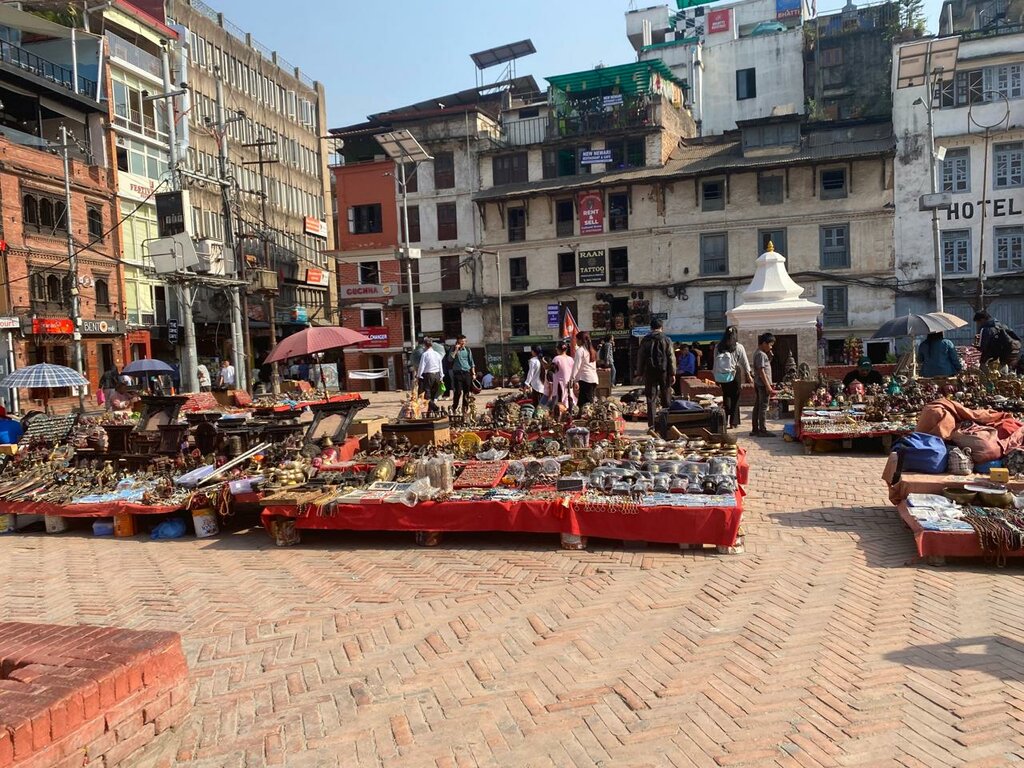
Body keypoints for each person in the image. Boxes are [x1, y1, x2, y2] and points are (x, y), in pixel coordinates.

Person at [637, 318, 675, 429]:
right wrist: (672, 373)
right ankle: (667, 423)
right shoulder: (666, 339)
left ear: (651, 328)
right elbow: (671, 357)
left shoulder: (645, 340)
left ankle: (652, 425)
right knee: (666, 397)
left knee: (650, 398)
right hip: (664, 372)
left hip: (649, 372)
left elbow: (640, 357)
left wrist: (639, 372)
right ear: (661, 327)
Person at [713, 326, 752, 430]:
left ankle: (724, 420)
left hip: (722, 375)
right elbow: (745, 362)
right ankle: (733, 422)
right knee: (736, 397)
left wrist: (715, 377)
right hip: (735, 374)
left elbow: (715, 363)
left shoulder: (718, 347)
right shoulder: (739, 347)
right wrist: (748, 374)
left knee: (726, 396)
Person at [751, 333, 777, 437]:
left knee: (758, 406)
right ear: (764, 343)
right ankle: (762, 429)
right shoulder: (761, 354)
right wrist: (768, 386)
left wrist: (770, 357)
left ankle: (755, 429)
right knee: (763, 407)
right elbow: (761, 371)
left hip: (759, 383)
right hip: (762, 384)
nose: (771, 347)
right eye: (770, 345)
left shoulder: (760, 353)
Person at [571, 331, 599, 413]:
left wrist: (572, 379)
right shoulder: (591, 350)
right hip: (593, 379)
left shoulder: (580, 351)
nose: (576, 342)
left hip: (586, 379)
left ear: (580, 340)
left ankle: (590, 420)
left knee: (587, 404)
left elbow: (576, 366)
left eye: (576, 340)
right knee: (582, 403)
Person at [416, 338, 443, 415]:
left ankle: (435, 408)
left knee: (425, 395)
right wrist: (441, 376)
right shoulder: (437, 354)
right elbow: (440, 366)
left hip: (428, 375)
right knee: (433, 395)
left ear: (424, 345)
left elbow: (422, 366)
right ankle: (429, 412)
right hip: (437, 375)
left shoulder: (425, 354)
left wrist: (418, 376)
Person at [449, 335, 476, 415]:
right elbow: (450, 359)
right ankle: (454, 406)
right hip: (457, 373)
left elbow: (472, 362)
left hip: (466, 372)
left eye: (464, 342)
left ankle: (465, 407)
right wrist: (456, 350)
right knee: (458, 392)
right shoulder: (453, 349)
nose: (463, 343)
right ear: (457, 342)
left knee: (467, 391)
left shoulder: (467, 350)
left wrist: (473, 373)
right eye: (461, 342)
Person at [550, 343, 576, 419]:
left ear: (558, 349)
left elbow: (553, 369)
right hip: (569, 381)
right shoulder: (571, 359)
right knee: (569, 397)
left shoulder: (556, 358)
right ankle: (570, 414)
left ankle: (559, 416)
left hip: (559, 382)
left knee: (559, 400)